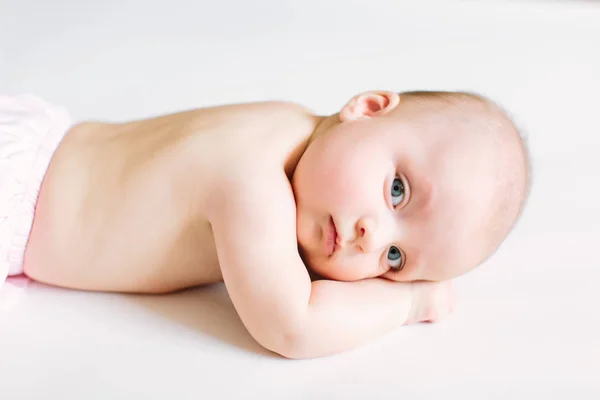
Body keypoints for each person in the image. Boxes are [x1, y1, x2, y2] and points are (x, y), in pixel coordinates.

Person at [0, 90, 529, 358]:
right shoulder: (253, 188)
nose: (373, 239)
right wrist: (412, 301)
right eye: (397, 191)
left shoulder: (285, 121)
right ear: (367, 107)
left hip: (35, 135)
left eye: (395, 260)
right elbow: (292, 325)